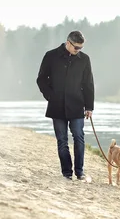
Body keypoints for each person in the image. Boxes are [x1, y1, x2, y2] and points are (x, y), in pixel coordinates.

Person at [36, 30, 95, 181]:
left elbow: (88, 84)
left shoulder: (84, 59)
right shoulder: (51, 56)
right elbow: (41, 79)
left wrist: (89, 107)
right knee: (62, 140)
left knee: (79, 137)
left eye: (81, 48)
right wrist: (50, 96)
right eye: (76, 47)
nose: (78, 50)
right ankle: (67, 173)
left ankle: (80, 172)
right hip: (57, 106)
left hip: (77, 105)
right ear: (68, 43)